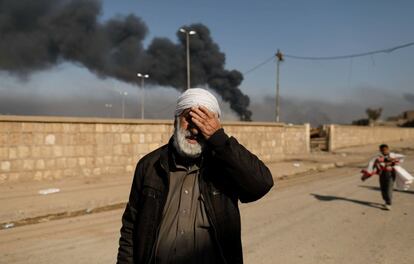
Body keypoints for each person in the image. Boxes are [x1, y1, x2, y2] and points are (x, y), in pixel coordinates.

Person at [117, 88, 274, 264]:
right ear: (175, 121)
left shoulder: (225, 165)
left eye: (203, 121)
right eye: (189, 118)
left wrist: (219, 139)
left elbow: (261, 184)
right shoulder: (150, 165)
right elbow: (131, 227)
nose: (194, 128)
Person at [361, 144, 413, 210]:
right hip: (382, 174)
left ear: (388, 149)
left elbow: (401, 158)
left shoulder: (393, 155)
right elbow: (371, 167)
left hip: (391, 174)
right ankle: (386, 200)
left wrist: (392, 161)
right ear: (380, 150)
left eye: (385, 150)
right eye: (382, 150)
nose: (384, 151)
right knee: (383, 189)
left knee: (389, 189)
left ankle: (388, 203)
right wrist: (365, 176)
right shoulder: (377, 158)